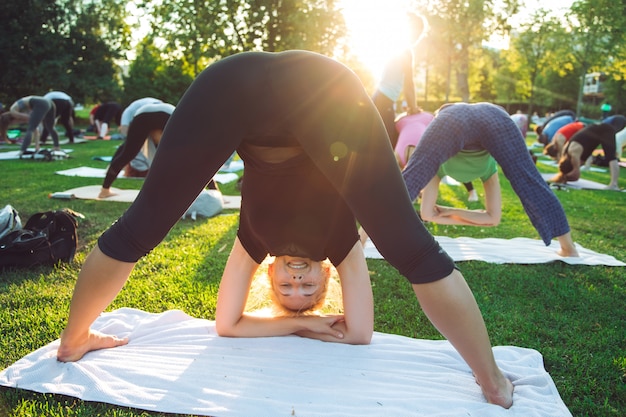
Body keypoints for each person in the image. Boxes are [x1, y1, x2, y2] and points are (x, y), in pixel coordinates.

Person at [55, 51, 513, 408]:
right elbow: (358, 334)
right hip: (321, 88)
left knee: (141, 227)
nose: (298, 280)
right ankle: (492, 382)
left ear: (269, 276)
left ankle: (74, 341)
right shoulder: (339, 246)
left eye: (289, 288)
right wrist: (304, 322)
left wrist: (299, 322)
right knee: (412, 249)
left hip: (232, 86)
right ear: (325, 277)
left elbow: (228, 324)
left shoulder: (254, 244)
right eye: (306, 287)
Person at [401, 102, 579, 258]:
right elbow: (493, 219)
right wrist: (453, 212)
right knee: (529, 179)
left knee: (413, 174)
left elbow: (426, 213)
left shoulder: (437, 166)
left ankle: (371, 234)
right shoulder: (489, 169)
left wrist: (447, 211)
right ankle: (568, 248)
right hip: (493, 115)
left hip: (450, 117)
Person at [395, 111, 478, 202]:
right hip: (413, 150)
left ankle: (472, 191)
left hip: (428, 147)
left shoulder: (422, 118)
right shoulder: (404, 120)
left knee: (452, 165)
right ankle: (472, 192)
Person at [371, 12, 427, 148]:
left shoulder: (393, 45)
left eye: (420, 34)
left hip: (379, 97)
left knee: (378, 140)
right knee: (387, 144)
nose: (418, 37)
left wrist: (408, 104)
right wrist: (413, 107)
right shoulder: (406, 51)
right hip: (384, 101)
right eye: (417, 32)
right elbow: (409, 83)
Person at [99, 102, 175, 199]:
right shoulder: (180, 125)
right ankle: (105, 190)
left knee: (126, 153)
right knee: (168, 157)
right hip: (163, 115)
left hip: (142, 113)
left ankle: (104, 189)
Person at [551, 119, 624, 191]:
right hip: (596, 130)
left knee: (611, 158)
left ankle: (614, 184)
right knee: (609, 157)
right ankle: (614, 184)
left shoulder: (574, 154)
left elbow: (576, 176)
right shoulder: (566, 153)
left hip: (605, 130)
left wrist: (567, 177)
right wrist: (563, 176)